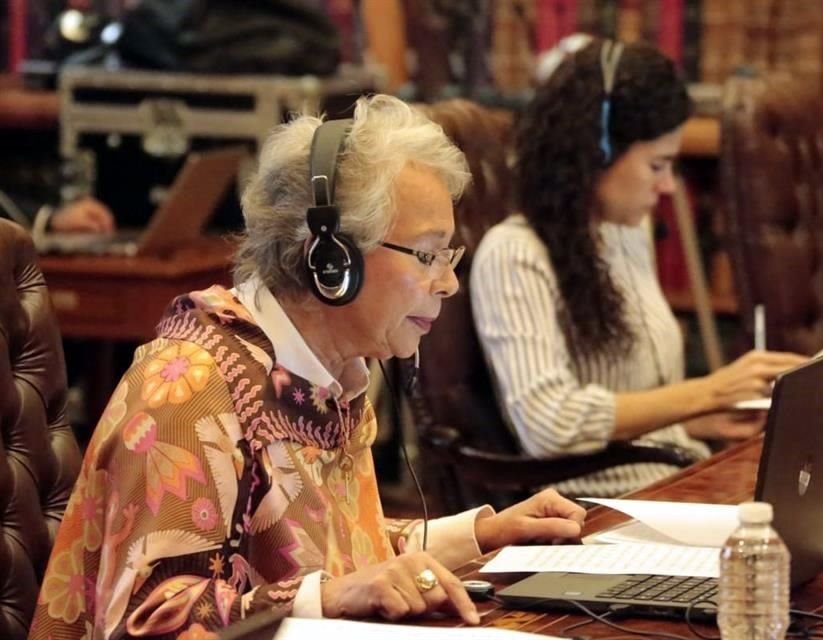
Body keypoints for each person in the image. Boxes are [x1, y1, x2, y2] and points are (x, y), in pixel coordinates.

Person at [28, 95, 586, 639]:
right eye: (428, 253)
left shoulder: (325, 378)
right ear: (332, 261)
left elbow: (333, 554)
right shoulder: (190, 392)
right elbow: (143, 624)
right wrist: (335, 597)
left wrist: (482, 533)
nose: (448, 281)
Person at [470, 40, 808, 498]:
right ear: (596, 152)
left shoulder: (625, 231)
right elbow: (549, 424)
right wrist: (709, 392)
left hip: (674, 484)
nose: (667, 185)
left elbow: (637, 399)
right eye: (657, 165)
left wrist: (701, 416)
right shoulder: (516, 254)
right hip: (600, 512)